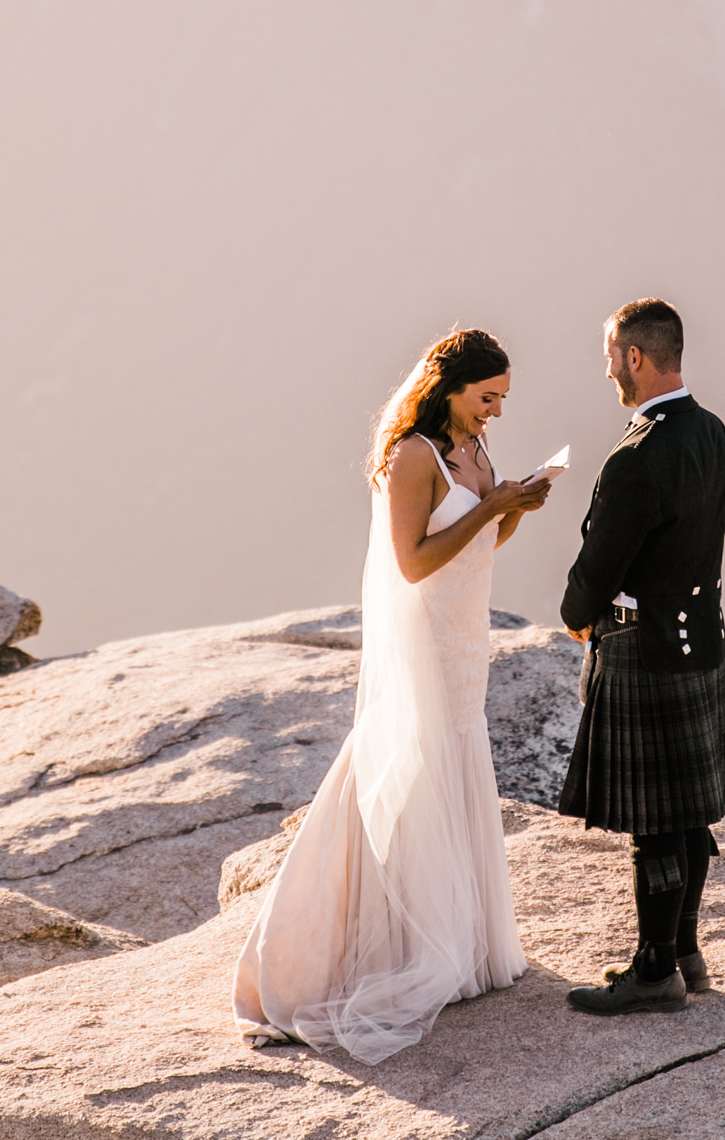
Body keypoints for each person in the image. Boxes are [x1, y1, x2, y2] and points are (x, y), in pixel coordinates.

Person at [233, 327, 551, 1063]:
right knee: (404, 771)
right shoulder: (414, 456)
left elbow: (471, 549)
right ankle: (331, 953)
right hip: (426, 644)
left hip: (465, 640)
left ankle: (457, 944)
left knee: (451, 768)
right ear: (449, 388)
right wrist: (491, 504)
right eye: (486, 397)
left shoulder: (472, 452)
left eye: (502, 400)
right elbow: (412, 563)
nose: (494, 412)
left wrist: (510, 511)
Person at [558, 298, 725, 1012]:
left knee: (655, 824)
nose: (609, 372)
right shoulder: (712, 433)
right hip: (700, 636)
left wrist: (577, 616)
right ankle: (686, 953)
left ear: (635, 357)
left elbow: (601, 562)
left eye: (612, 358)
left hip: (644, 647)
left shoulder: (639, 453)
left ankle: (653, 969)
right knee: (687, 814)